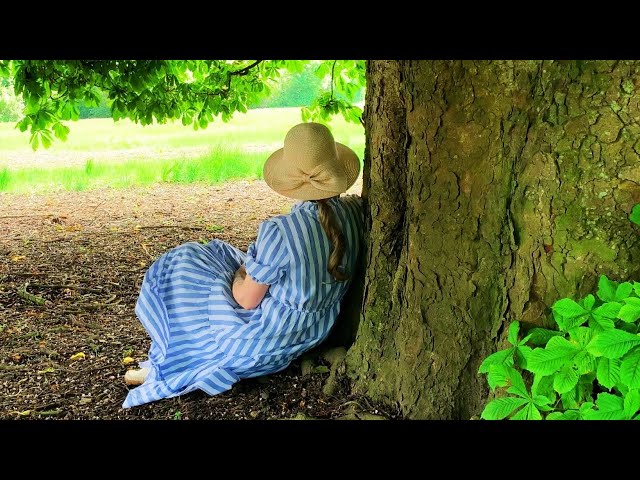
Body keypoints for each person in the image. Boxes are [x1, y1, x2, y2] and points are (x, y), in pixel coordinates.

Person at [122, 122, 364, 408]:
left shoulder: (280, 232)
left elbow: (246, 300)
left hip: (260, 341)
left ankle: (169, 361)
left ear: (289, 180)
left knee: (187, 263)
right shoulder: (354, 212)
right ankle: (166, 360)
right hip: (310, 333)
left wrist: (239, 274)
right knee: (218, 261)